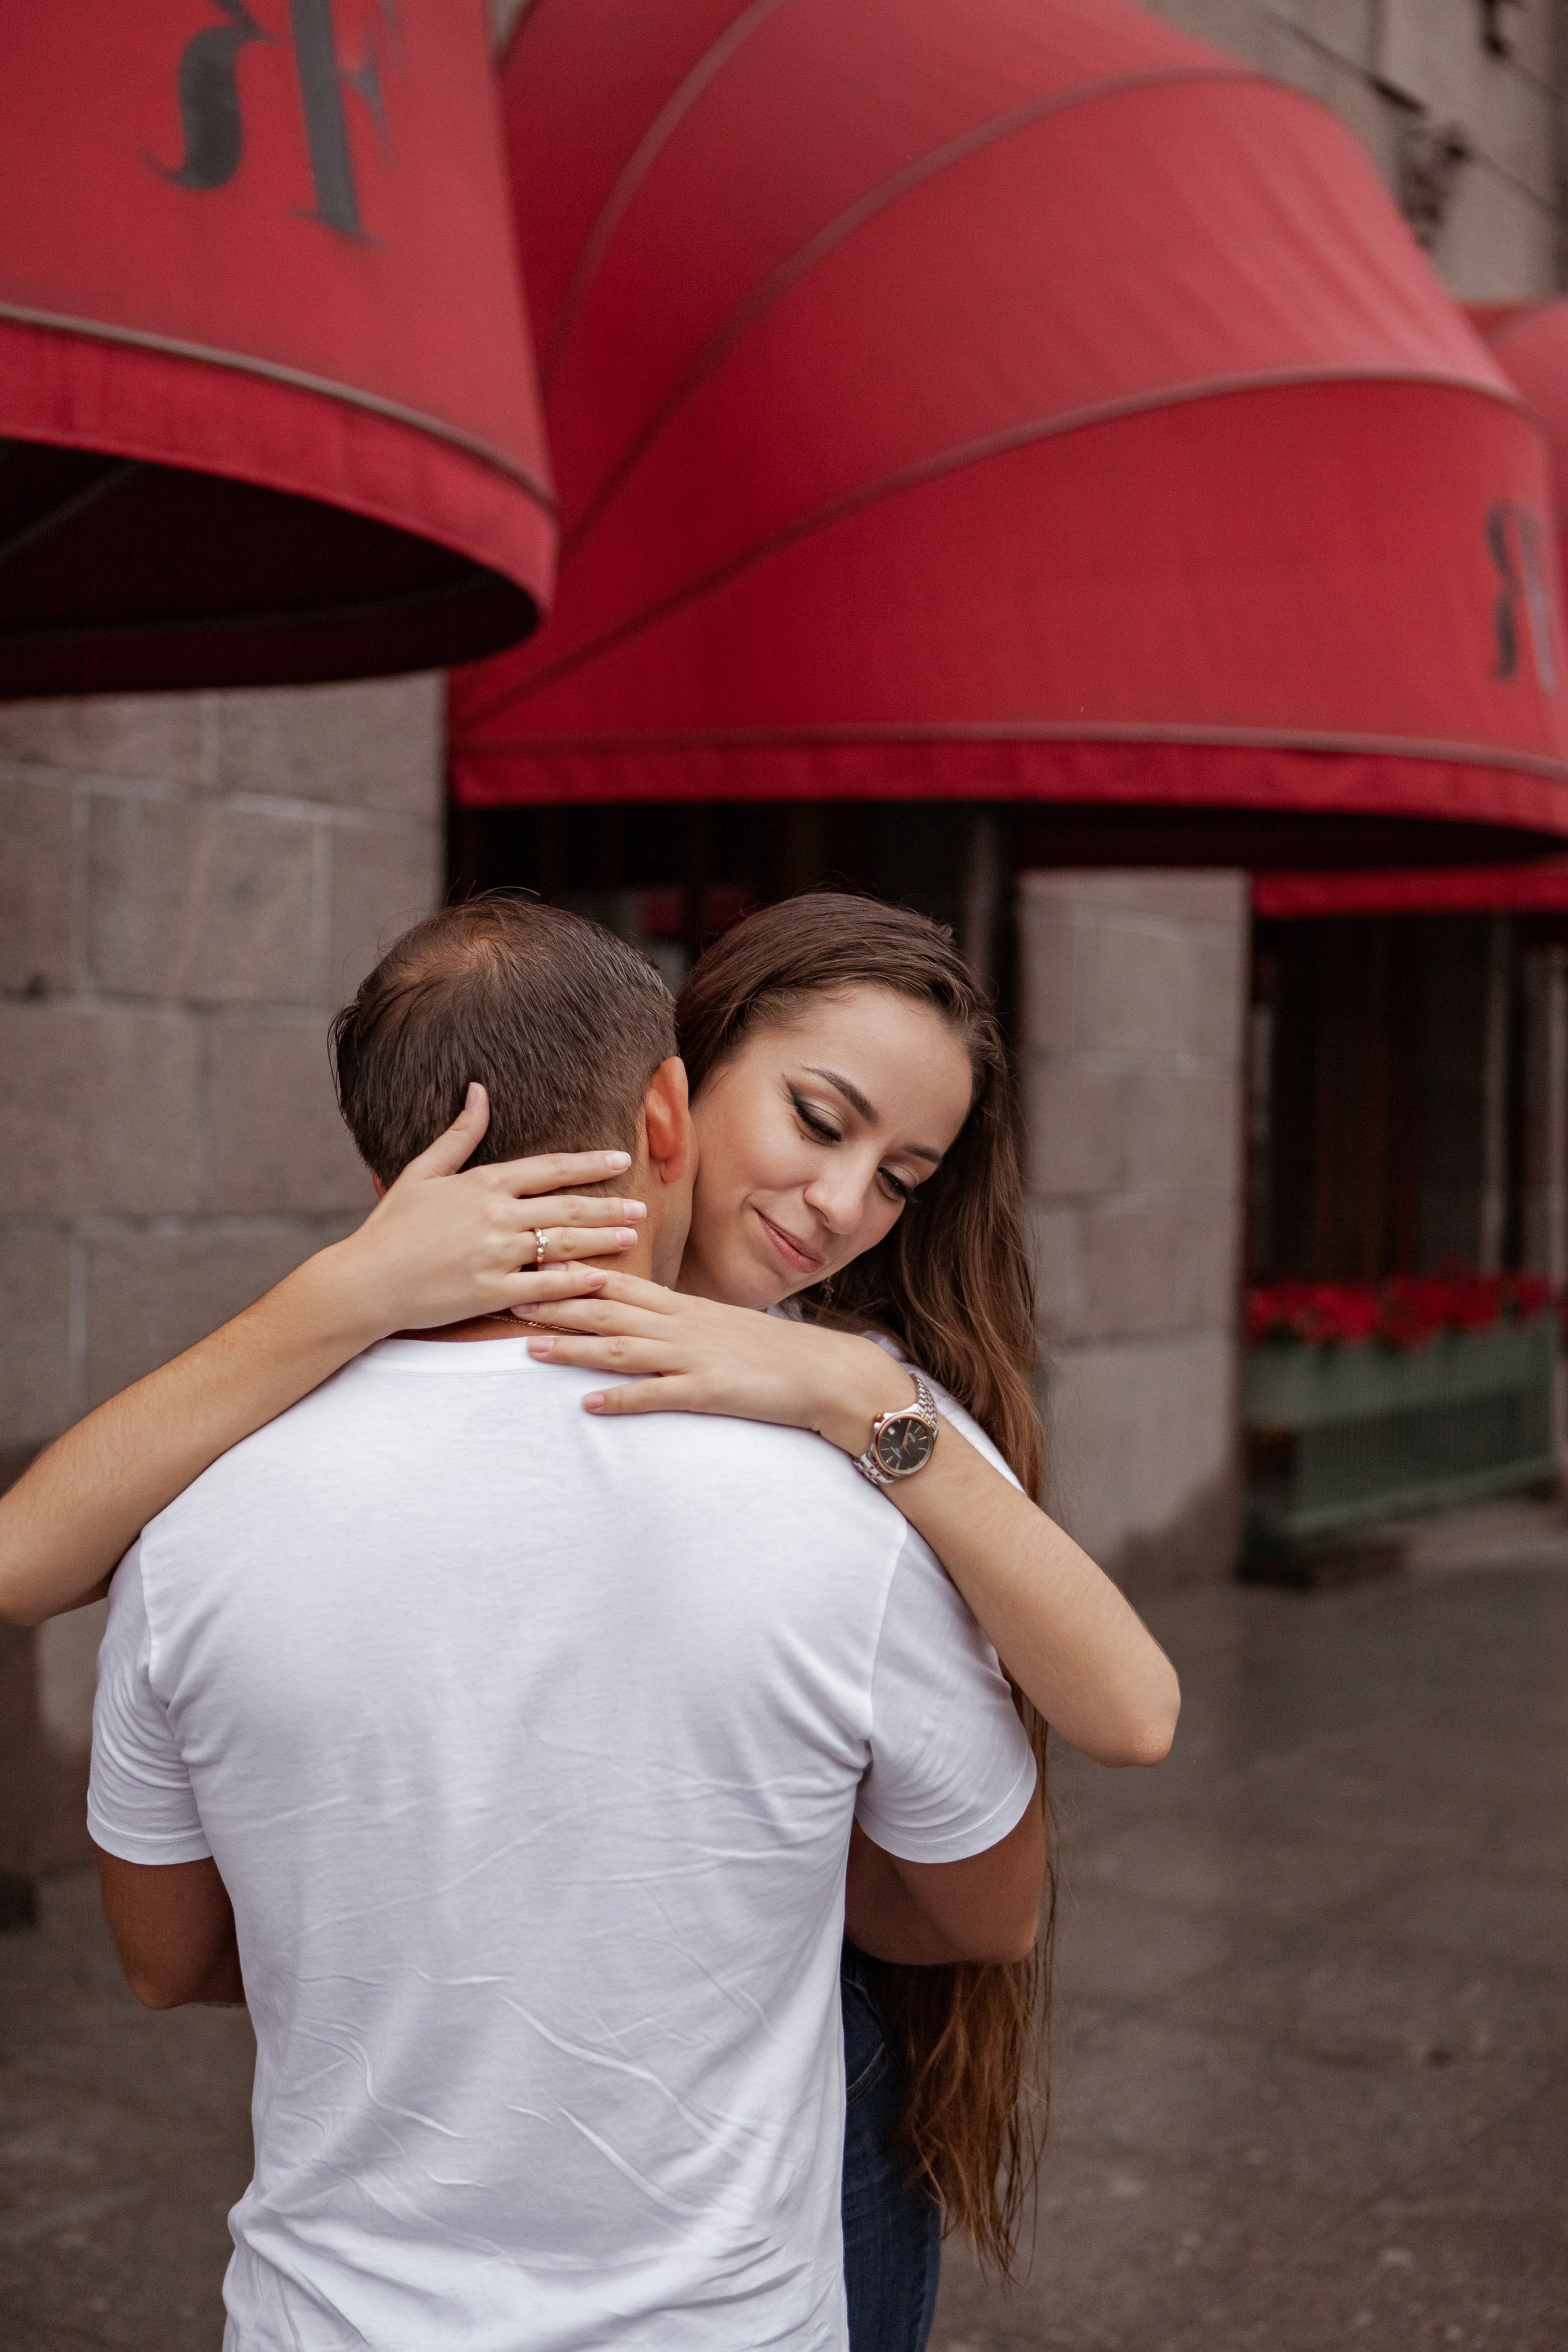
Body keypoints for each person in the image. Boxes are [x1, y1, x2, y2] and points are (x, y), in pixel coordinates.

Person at [2, 890, 1179, 2343]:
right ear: (677, 1089)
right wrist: (340, 1294)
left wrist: (860, 1397)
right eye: (817, 1120)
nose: (841, 1203)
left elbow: (1126, 1715)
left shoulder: (869, 1418)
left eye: (900, 1179)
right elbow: (26, 1560)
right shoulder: (377, 1347)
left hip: (794, 2075)